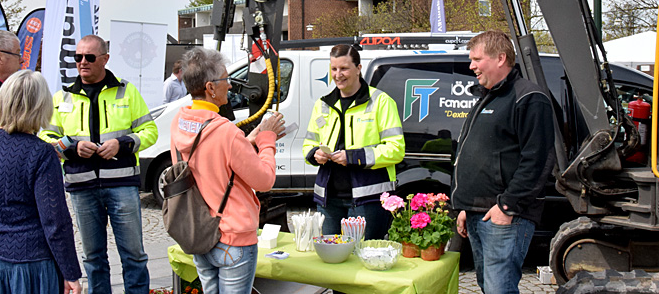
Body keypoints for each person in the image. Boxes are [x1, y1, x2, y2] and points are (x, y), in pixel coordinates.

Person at [40, 34, 157, 294]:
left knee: (134, 256)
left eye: (90, 57)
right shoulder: (62, 97)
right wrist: (71, 149)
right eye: (78, 57)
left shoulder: (126, 90)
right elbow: (46, 137)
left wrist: (122, 144)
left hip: (122, 184)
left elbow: (150, 131)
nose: (82, 62)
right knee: (93, 259)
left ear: (105, 59)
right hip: (81, 187)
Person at [0, 69, 82, 294]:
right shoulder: (41, 152)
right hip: (28, 262)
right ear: (41, 107)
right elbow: (55, 221)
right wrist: (70, 272)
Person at [171, 47, 284, 294]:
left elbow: (211, 157)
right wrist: (267, 141)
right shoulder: (225, 132)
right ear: (210, 88)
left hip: (199, 229)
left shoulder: (180, 121)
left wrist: (246, 142)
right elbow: (264, 180)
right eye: (226, 79)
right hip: (232, 235)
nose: (230, 86)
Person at [452, 31, 555, 294]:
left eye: (477, 59)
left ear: (500, 58)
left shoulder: (528, 97)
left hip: (505, 216)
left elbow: (538, 162)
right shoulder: (488, 96)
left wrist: (507, 206)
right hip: (478, 213)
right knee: (488, 287)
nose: (471, 66)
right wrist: (466, 206)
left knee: (499, 289)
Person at [302, 44, 405, 240]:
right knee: (331, 254)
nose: (338, 74)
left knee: (363, 254)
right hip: (329, 200)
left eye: (344, 68)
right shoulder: (323, 104)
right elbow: (308, 144)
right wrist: (315, 154)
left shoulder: (381, 102)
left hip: (368, 200)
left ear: (358, 68)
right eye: (334, 68)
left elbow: (396, 149)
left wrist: (353, 157)